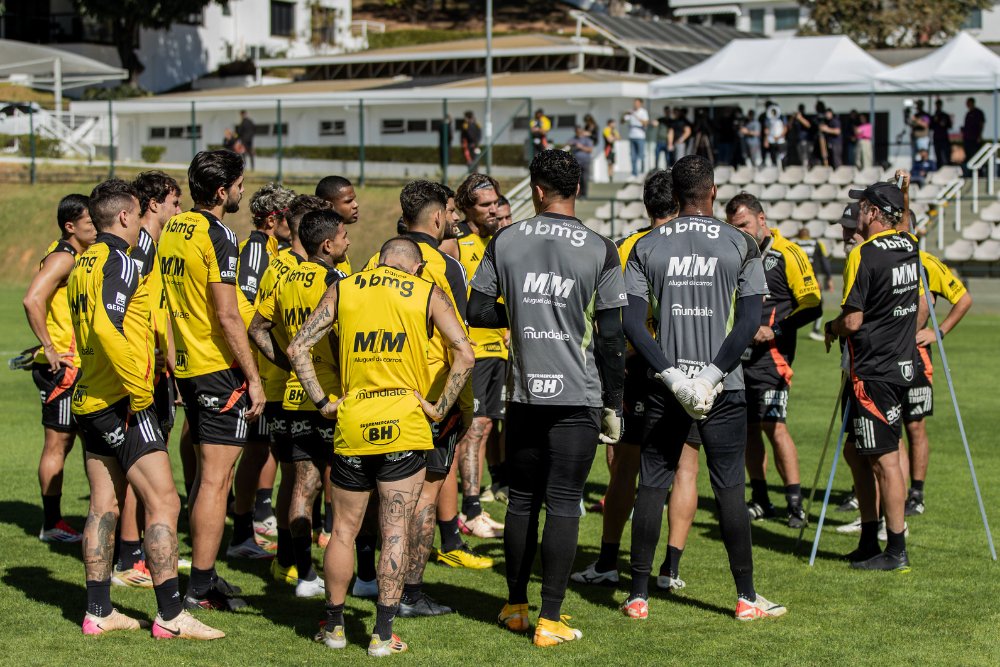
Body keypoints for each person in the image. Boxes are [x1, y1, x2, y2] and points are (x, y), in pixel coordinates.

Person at [468, 149, 627, 647]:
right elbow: (610, 335)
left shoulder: (505, 239)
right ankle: (550, 618)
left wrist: (521, 314)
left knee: (521, 501)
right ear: (577, 189)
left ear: (536, 190)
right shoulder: (601, 248)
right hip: (578, 395)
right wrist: (615, 401)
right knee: (563, 503)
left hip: (524, 394)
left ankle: (515, 606)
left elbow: (477, 310)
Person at [292, 236, 475, 656]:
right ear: (414, 267)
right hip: (404, 425)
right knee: (395, 529)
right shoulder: (426, 291)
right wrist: (438, 408)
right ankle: (382, 634)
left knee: (342, 530)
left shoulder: (345, 286)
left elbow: (297, 346)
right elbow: (465, 354)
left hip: (353, 422)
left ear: (380, 261)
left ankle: (334, 628)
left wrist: (322, 402)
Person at [621, 155, 785, 621]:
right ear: (713, 192)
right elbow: (749, 321)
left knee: (653, 483)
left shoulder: (646, 244)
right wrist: (710, 376)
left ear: (674, 195)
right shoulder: (741, 242)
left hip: (664, 385)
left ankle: (638, 596)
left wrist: (673, 376)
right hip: (724, 386)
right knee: (729, 487)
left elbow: (631, 323)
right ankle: (746, 597)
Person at [68, 178, 222, 640]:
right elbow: (106, 325)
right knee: (165, 501)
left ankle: (98, 611)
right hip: (121, 401)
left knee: (104, 503)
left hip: (90, 396)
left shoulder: (83, 262)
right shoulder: (118, 259)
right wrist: (139, 393)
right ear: (123, 217)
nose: (140, 222)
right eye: (137, 215)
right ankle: (171, 616)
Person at [364, 180, 489, 620]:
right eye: (451, 212)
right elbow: (460, 342)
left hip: (377, 390)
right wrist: (464, 405)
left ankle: (370, 578)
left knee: (380, 494)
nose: (454, 219)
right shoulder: (446, 265)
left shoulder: (376, 260)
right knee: (423, 497)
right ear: (438, 217)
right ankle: (409, 593)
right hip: (430, 398)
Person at [159, 150, 265, 610]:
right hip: (217, 368)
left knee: (207, 476)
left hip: (188, 364)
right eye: (240, 185)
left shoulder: (173, 228)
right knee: (217, 482)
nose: (243, 191)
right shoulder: (218, 234)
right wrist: (253, 378)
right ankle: (199, 588)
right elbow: (227, 314)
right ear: (222, 191)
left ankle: (205, 575)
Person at [571, 168, 687, 587]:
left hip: (639, 366)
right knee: (685, 469)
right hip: (690, 367)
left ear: (645, 205)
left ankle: (608, 561)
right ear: (680, 202)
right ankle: (669, 569)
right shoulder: (697, 246)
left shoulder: (626, 247)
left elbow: (608, 314)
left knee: (626, 466)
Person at [823, 179, 926, 571]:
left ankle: (896, 549)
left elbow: (852, 321)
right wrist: (905, 194)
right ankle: (869, 539)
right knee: (857, 451)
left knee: (885, 460)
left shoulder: (862, 254)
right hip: (899, 365)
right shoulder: (910, 245)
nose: (858, 213)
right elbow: (904, 229)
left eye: (862, 206)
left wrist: (831, 327)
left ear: (874, 212)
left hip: (872, 370)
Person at [249, 208, 349, 599]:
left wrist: (286, 363)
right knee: (341, 486)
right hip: (330, 396)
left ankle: (304, 574)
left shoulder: (287, 277)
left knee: (302, 486)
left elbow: (257, 328)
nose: (348, 241)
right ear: (327, 244)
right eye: (343, 236)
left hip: (294, 394)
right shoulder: (334, 281)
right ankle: (347, 573)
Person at [725, 193, 821, 529]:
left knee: (774, 426)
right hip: (739, 358)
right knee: (748, 428)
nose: (741, 233)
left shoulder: (787, 253)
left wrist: (774, 329)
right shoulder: (735, 255)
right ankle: (761, 499)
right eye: (734, 228)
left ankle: (795, 504)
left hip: (773, 358)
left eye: (745, 225)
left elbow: (813, 306)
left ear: (761, 219)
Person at [111, 171, 183, 588]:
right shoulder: (137, 250)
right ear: (154, 204)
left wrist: (168, 358)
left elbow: (157, 312)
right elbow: (119, 314)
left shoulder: (152, 247)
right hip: (138, 376)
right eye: (175, 202)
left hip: (155, 370)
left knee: (151, 461)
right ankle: (129, 556)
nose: (179, 210)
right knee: (140, 465)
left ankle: (138, 551)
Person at [227, 182, 297, 561]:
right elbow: (245, 310)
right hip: (259, 371)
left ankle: (250, 525)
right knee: (254, 452)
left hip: (265, 371)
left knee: (260, 450)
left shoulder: (272, 250)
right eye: (289, 217)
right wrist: (260, 364)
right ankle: (242, 531)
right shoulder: (255, 250)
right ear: (273, 219)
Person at [23, 193, 97, 543]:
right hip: (64, 371)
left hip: (81, 366)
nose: (96, 228)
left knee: (90, 443)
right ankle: (52, 523)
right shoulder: (63, 257)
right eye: (89, 223)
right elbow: (32, 299)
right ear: (70, 226)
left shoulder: (75, 254)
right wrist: (50, 349)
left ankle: (97, 518)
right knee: (59, 443)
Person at [894, 209, 972, 517]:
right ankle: (888, 492)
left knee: (914, 425)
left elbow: (963, 298)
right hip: (884, 357)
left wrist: (938, 332)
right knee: (888, 428)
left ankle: (916, 493)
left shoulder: (926, 263)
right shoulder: (879, 260)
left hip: (917, 357)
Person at [452, 173, 507, 538]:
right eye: (485, 205)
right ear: (466, 208)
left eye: (495, 203)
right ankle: (469, 510)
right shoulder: (457, 243)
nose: (493, 210)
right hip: (473, 351)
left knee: (484, 427)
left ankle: (473, 507)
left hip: (497, 349)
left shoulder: (498, 241)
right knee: (471, 429)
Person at [793, 226, 834, 341]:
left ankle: (785, 328)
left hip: (796, 279)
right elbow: (824, 261)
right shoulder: (816, 244)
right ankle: (815, 330)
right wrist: (829, 278)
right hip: (812, 280)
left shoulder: (794, 244)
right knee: (819, 303)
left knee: (792, 304)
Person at [315, 175, 359, 275]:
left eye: (354, 199)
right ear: (328, 204)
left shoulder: (339, 242)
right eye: (348, 201)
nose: (356, 205)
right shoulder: (318, 245)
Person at [624, 98, 649, 177]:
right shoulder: (631, 112)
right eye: (634, 103)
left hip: (640, 136)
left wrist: (635, 115)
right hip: (632, 136)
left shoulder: (643, 112)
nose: (635, 104)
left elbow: (645, 123)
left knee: (641, 155)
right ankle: (634, 173)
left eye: (637, 103)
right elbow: (622, 120)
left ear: (640, 104)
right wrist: (625, 113)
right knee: (633, 156)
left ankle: (642, 172)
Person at [568, 126, 594, 198]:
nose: (578, 133)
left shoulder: (587, 140)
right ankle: (577, 194)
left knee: (584, 178)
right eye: (577, 131)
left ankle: (584, 195)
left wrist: (581, 147)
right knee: (576, 179)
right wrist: (571, 144)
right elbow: (568, 144)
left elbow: (590, 150)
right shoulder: (573, 139)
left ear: (582, 131)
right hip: (576, 162)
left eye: (579, 131)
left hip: (585, 161)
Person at [962, 97, 985, 175]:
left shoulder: (978, 112)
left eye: (968, 103)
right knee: (968, 157)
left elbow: (981, 124)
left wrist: (979, 136)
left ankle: (979, 173)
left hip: (975, 139)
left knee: (976, 156)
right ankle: (970, 173)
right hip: (967, 139)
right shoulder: (968, 113)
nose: (967, 105)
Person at [763, 104, 787, 168]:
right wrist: (766, 140)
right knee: (773, 155)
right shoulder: (768, 119)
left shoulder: (782, 118)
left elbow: (785, 128)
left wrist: (779, 137)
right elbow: (767, 130)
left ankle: (783, 168)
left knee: (782, 155)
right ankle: (775, 167)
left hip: (781, 140)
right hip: (772, 140)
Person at [930, 101, 952, 168]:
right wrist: (935, 121)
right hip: (936, 138)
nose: (938, 106)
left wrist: (943, 124)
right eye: (937, 105)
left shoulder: (945, 115)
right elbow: (930, 127)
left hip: (944, 138)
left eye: (939, 105)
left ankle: (946, 166)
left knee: (945, 154)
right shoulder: (934, 116)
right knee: (938, 154)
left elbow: (949, 125)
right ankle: (939, 167)